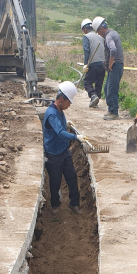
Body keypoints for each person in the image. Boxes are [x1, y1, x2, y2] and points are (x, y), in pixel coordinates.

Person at [43, 81, 85, 215]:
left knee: (72, 177)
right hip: (53, 153)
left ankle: (74, 203)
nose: (70, 105)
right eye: (69, 102)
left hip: (63, 151)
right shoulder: (51, 114)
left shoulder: (60, 110)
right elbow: (60, 133)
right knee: (55, 181)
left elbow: (61, 127)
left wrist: (67, 124)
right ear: (61, 99)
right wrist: (75, 137)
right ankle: (55, 204)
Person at [92, 16, 123, 120]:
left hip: (115, 66)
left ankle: (114, 112)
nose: (98, 34)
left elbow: (113, 49)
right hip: (117, 66)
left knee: (112, 90)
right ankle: (111, 110)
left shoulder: (109, 36)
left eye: (98, 31)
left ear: (101, 29)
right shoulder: (113, 33)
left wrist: (110, 63)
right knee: (107, 88)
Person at [80, 18, 105, 108]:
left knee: (87, 82)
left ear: (85, 29)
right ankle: (95, 102)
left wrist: (85, 64)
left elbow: (86, 51)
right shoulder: (100, 37)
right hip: (102, 64)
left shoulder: (86, 37)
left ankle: (93, 96)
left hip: (93, 64)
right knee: (99, 83)